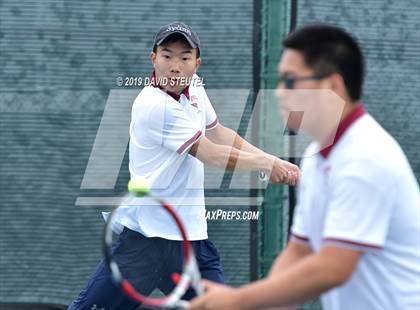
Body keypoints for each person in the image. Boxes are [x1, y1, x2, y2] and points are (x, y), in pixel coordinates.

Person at [69, 21, 299, 310]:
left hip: (190, 241)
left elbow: (219, 133)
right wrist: (266, 162)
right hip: (145, 242)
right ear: (153, 58)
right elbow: (212, 154)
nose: (174, 66)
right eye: (166, 55)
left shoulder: (195, 88)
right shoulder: (154, 106)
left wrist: (274, 161)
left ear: (197, 64)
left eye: (184, 57)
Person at [188, 24, 420, 310]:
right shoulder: (319, 156)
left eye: (290, 81)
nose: (280, 93)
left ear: (332, 86)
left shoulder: (366, 158)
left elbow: (331, 268)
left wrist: (238, 301)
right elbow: (300, 251)